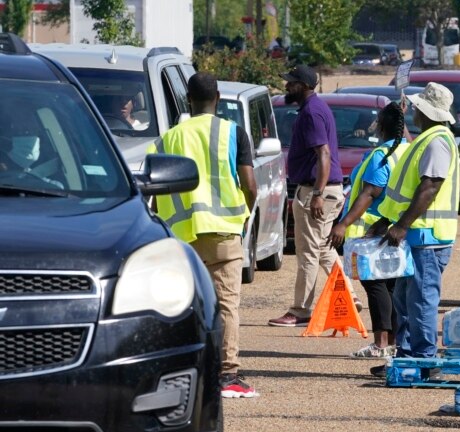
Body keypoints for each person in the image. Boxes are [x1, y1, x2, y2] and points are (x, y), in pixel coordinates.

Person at [146, 72, 258, 398]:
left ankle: (182, 371)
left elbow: (153, 192)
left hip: (182, 237)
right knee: (227, 305)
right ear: (218, 98)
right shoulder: (233, 133)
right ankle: (228, 375)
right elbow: (249, 184)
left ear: (187, 101)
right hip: (224, 234)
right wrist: (244, 214)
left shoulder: (168, 138)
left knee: (182, 305)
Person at [366, 82, 460, 378]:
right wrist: (388, 220)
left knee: (420, 300)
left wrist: (402, 225)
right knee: (405, 300)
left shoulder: (436, 141)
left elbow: (430, 186)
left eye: (417, 108)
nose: (413, 112)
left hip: (427, 236)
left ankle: (424, 360)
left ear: (425, 111)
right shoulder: (428, 138)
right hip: (417, 235)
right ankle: (407, 358)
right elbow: (406, 189)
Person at [268, 64, 360, 327]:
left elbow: (324, 155)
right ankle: (349, 296)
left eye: (291, 82)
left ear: (304, 86)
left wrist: (317, 194)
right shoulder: (315, 108)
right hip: (319, 190)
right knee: (321, 248)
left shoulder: (312, 113)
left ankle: (300, 311)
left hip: (318, 191)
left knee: (308, 252)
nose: (287, 86)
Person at [328, 102, 409, 359]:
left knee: (375, 285)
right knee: (393, 286)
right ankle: (393, 341)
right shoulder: (407, 151)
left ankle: (380, 343)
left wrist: (343, 223)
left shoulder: (380, 156)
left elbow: (369, 193)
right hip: (398, 227)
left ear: (382, 126)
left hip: (373, 230)